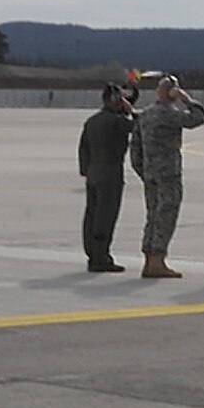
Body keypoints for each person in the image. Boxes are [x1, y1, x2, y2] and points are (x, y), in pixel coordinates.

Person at [134, 75, 204, 278]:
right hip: (168, 173)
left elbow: (135, 149)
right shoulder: (168, 114)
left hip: (150, 173)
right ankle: (158, 261)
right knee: (166, 215)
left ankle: (149, 261)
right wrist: (186, 99)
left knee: (152, 215)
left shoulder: (146, 114)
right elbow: (198, 118)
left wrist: (143, 170)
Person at [76, 84, 136, 272]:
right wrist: (131, 111)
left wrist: (86, 170)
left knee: (91, 214)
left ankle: (92, 253)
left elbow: (83, 149)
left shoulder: (92, 121)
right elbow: (141, 126)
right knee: (106, 216)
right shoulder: (117, 122)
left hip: (93, 171)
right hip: (110, 172)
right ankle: (101, 257)